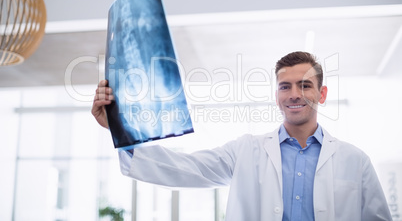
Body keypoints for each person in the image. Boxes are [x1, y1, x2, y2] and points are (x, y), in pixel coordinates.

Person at [92, 51, 392, 221]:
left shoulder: (355, 160)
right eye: (285, 87)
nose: (294, 95)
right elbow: (185, 169)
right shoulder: (246, 150)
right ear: (276, 95)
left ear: (322, 94)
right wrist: (117, 128)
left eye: (305, 85)